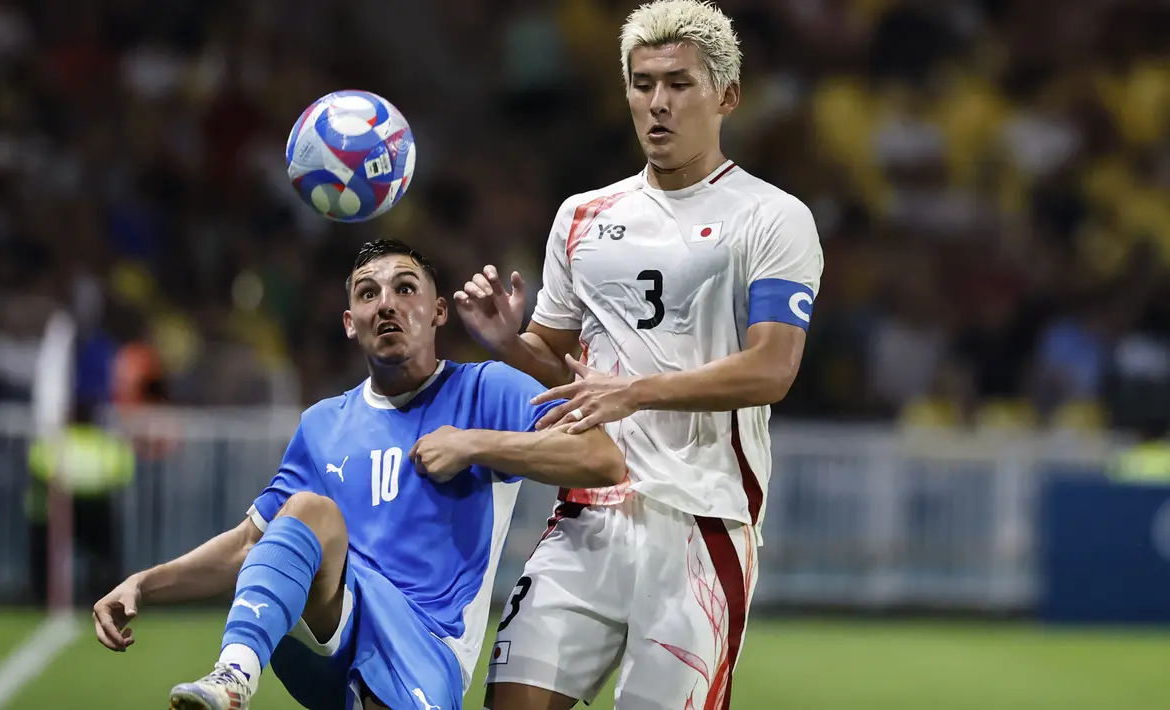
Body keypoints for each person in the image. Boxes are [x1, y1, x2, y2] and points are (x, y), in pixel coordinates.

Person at [455, 1, 824, 708]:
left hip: (701, 522)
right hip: (587, 516)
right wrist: (511, 344)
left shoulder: (772, 217)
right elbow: (569, 374)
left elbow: (772, 369)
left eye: (678, 83)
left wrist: (639, 390)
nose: (656, 103)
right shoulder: (583, 216)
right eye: (640, 82)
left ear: (726, 95)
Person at [91, 239, 625, 710]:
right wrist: (145, 582)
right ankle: (234, 674)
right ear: (351, 322)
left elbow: (602, 460)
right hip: (333, 628)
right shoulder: (323, 423)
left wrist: (474, 445)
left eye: (406, 289)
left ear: (439, 312)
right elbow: (248, 546)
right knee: (306, 512)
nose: (387, 303)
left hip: (427, 645)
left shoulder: (490, 389)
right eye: (368, 294)